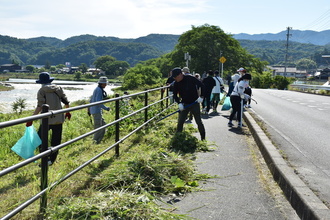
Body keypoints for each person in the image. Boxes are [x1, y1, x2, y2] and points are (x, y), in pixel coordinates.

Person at [26, 72, 71, 165]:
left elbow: (40, 106)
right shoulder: (58, 88)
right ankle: (51, 160)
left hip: (46, 119)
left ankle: (44, 159)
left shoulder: (42, 91)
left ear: (41, 82)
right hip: (58, 118)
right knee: (56, 140)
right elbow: (66, 101)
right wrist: (67, 112)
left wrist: (31, 118)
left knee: (40, 139)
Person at [172, 67, 206, 140]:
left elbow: (202, 86)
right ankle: (178, 138)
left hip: (194, 103)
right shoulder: (176, 83)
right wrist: (179, 103)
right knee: (180, 122)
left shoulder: (190, 78)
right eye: (174, 77)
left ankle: (203, 139)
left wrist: (202, 96)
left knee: (198, 121)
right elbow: (174, 94)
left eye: (176, 76)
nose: (175, 78)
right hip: (184, 104)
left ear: (181, 74)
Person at [89, 76, 111, 144]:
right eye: (105, 83)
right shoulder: (99, 90)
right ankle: (96, 141)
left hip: (95, 110)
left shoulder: (98, 89)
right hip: (96, 111)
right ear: (101, 84)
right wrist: (106, 108)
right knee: (98, 126)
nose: (106, 85)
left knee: (103, 125)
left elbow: (91, 100)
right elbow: (98, 102)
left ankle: (99, 140)